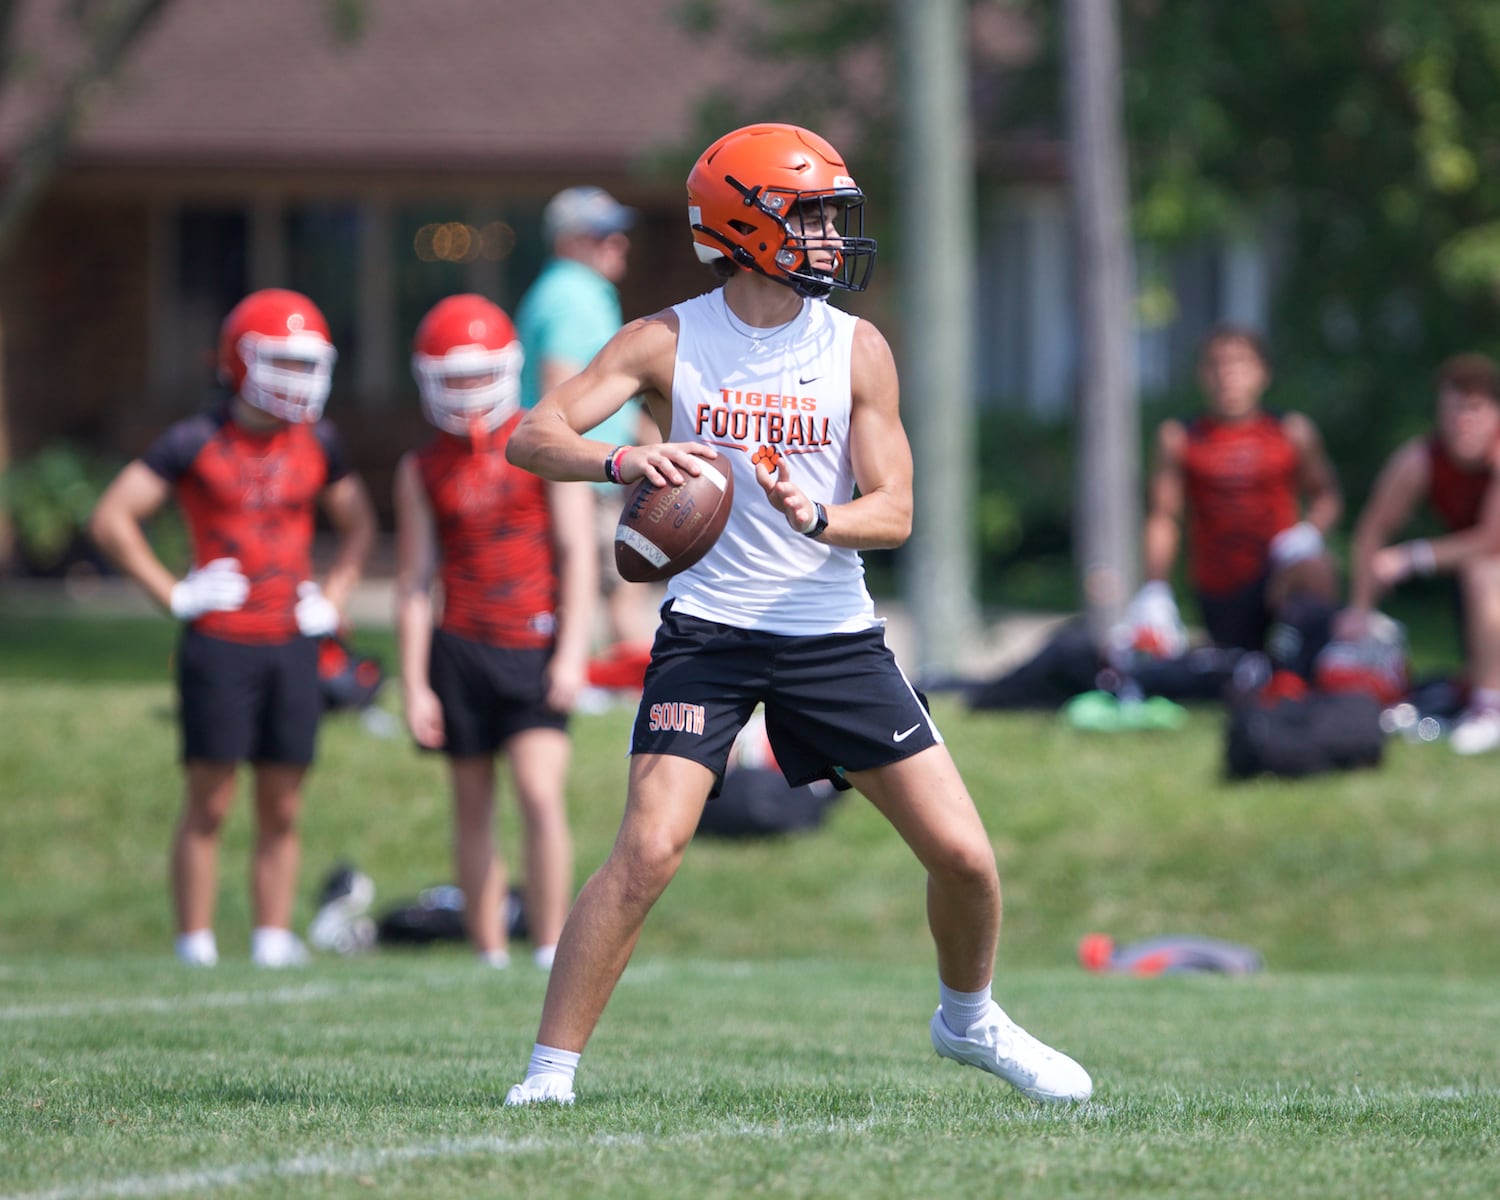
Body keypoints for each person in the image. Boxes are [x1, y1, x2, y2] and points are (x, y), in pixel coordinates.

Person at [502, 122, 1091, 1107]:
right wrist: (625, 459)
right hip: (709, 634)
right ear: (744, 222)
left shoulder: (858, 349)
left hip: (831, 635)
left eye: (831, 214)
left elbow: (895, 509)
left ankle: (970, 1018)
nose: (829, 234)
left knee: (965, 858)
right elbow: (532, 432)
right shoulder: (667, 339)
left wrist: (819, 515)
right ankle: (548, 1074)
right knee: (647, 850)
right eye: (808, 213)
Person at [89, 287, 376, 967]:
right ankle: (195, 940)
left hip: (292, 640)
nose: (300, 380)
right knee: (210, 799)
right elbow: (112, 518)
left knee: (282, 803)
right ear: (240, 362)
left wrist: (333, 595)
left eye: (308, 364)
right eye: (283, 362)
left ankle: (272, 935)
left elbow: (359, 522)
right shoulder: (195, 439)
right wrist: (174, 593)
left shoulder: (320, 442)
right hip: (220, 640)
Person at [393, 294, 596, 969]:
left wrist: (572, 654)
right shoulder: (420, 468)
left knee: (540, 794)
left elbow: (577, 553)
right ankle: (487, 951)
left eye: (478, 376)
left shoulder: (541, 442)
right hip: (463, 648)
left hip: (534, 644)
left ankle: (546, 944)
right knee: (471, 806)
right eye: (452, 379)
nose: (467, 393)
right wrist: (416, 683)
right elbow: (417, 582)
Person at [1121, 326, 1344, 677]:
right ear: (1202, 375)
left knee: (1316, 568)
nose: (1228, 375)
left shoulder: (1291, 431)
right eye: (1217, 365)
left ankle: (1315, 666)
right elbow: (1163, 517)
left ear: (1262, 373)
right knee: (1234, 669)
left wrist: (1308, 533)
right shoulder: (1180, 437)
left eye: (1240, 364)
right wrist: (1155, 587)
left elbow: (1327, 494)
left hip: (1277, 573)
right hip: (1221, 583)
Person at [516, 185, 661, 652]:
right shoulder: (571, 296)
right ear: (568, 241)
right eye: (602, 235)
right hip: (579, 476)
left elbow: (605, 395)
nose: (618, 243)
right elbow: (557, 405)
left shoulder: (578, 291)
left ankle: (620, 681)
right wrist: (570, 487)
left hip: (598, 471)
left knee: (624, 585)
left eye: (618, 233)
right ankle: (597, 680)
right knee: (613, 581)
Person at [1338, 353, 1500, 754]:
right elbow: (1372, 529)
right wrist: (1360, 608)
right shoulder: (1422, 460)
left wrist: (1413, 557)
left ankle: (1489, 710)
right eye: (1455, 409)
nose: (1465, 420)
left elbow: (1491, 539)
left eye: (1475, 410)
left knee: (1483, 572)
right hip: (1481, 599)